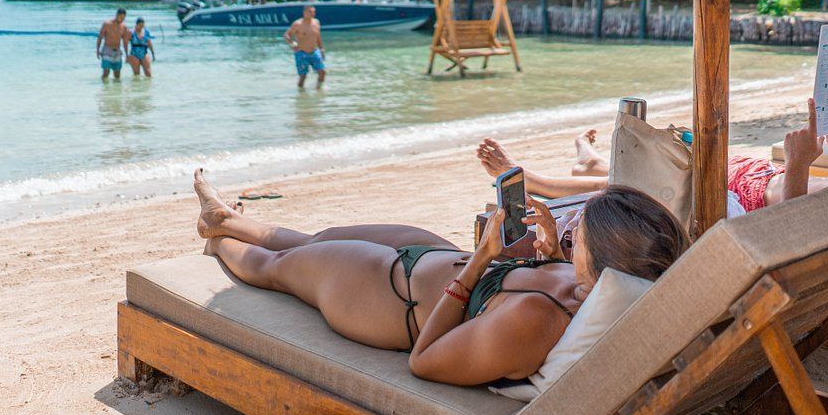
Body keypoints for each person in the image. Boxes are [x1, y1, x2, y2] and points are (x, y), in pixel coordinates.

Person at [193, 169, 685, 384]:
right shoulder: (588, 291)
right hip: (433, 257)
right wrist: (553, 251)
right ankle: (223, 218)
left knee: (277, 267)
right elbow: (543, 285)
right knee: (317, 238)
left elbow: (425, 361)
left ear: (605, 263)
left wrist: (481, 259)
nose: (573, 230)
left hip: (388, 295)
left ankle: (217, 242)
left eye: (581, 236)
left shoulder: (538, 321)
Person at [478, 94, 828, 213]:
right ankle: (588, 158)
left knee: (652, 174)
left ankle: (538, 179)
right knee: (672, 156)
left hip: (756, 196)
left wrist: (799, 163)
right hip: (762, 178)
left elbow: (797, 226)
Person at [285, 4, 325, 88]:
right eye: (310, 12)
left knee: (322, 72)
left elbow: (318, 36)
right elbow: (287, 35)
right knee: (303, 77)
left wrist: (321, 49)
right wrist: (292, 44)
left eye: (314, 12)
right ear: (304, 12)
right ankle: (300, 92)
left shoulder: (316, 22)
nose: (312, 14)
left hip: (315, 51)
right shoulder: (297, 24)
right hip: (302, 53)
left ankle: (319, 89)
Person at [95, 8, 129, 81]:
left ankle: (116, 88)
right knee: (106, 72)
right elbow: (100, 37)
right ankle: (104, 87)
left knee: (117, 75)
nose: (122, 19)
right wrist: (97, 50)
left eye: (123, 18)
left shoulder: (124, 27)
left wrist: (127, 55)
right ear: (116, 15)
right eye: (121, 17)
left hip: (117, 51)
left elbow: (125, 42)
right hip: (107, 50)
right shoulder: (107, 24)